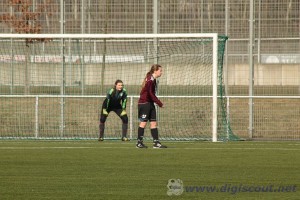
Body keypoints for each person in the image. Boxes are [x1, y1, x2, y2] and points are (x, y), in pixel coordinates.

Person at [136, 64, 167, 148]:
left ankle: (156, 143)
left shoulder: (153, 80)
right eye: (160, 70)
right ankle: (139, 142)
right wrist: (159, 103)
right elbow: (150, 94)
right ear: (155, 71)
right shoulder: (150, 79)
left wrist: (156, 102)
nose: (161, 72)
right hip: (144, 103)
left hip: (150, 103)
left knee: (153, 123)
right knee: (143, 123)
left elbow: (151, 94)